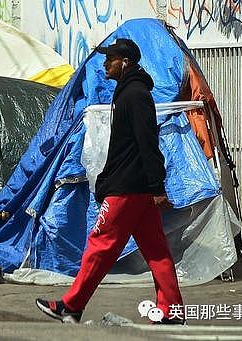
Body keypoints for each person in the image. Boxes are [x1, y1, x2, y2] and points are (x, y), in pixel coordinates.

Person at [35, 38, 184, 324]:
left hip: (129, 190)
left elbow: (147, 142)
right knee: (156, 251)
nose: (105, 63)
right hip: (134, 188)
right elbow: (124, 146)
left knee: (99, 245)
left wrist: (157, 186)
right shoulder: (127, 92)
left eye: (110, 58)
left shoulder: (135, 94)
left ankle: (71, 305)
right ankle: (171, 311)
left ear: (124, 62)